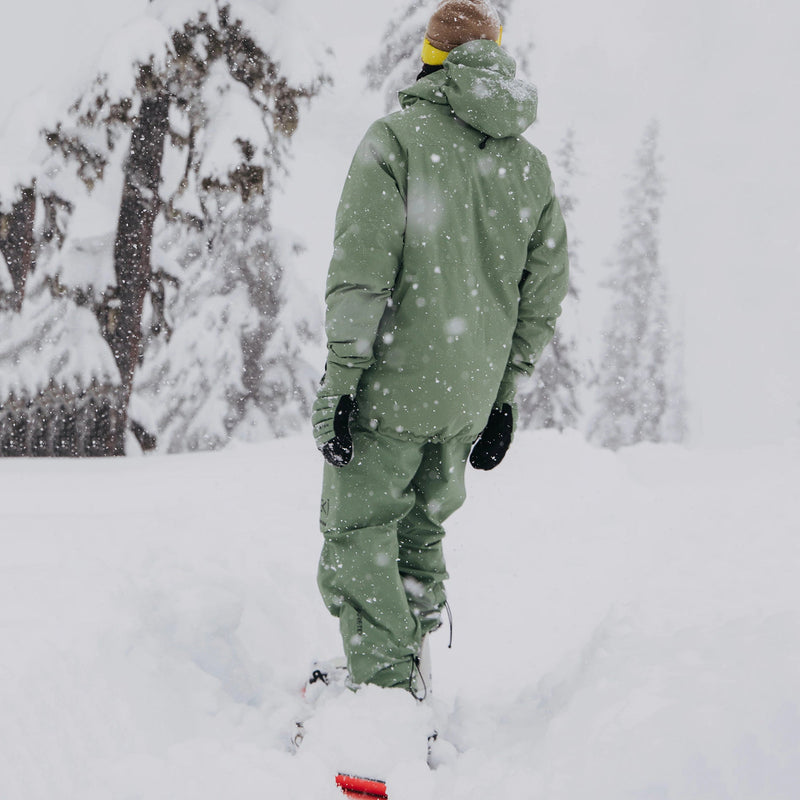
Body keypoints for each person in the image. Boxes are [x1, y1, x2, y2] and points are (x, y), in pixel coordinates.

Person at [311, 0, 569, 698]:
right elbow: (543, 295)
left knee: (360, 533)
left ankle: (384, 698)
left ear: (430, 60)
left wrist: (340, 383)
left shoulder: (395, 141)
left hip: (393, 386)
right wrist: (505, 390)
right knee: (420, 532)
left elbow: (362, 276)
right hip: (467, 396)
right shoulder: (532, 168)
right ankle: (405, 666)